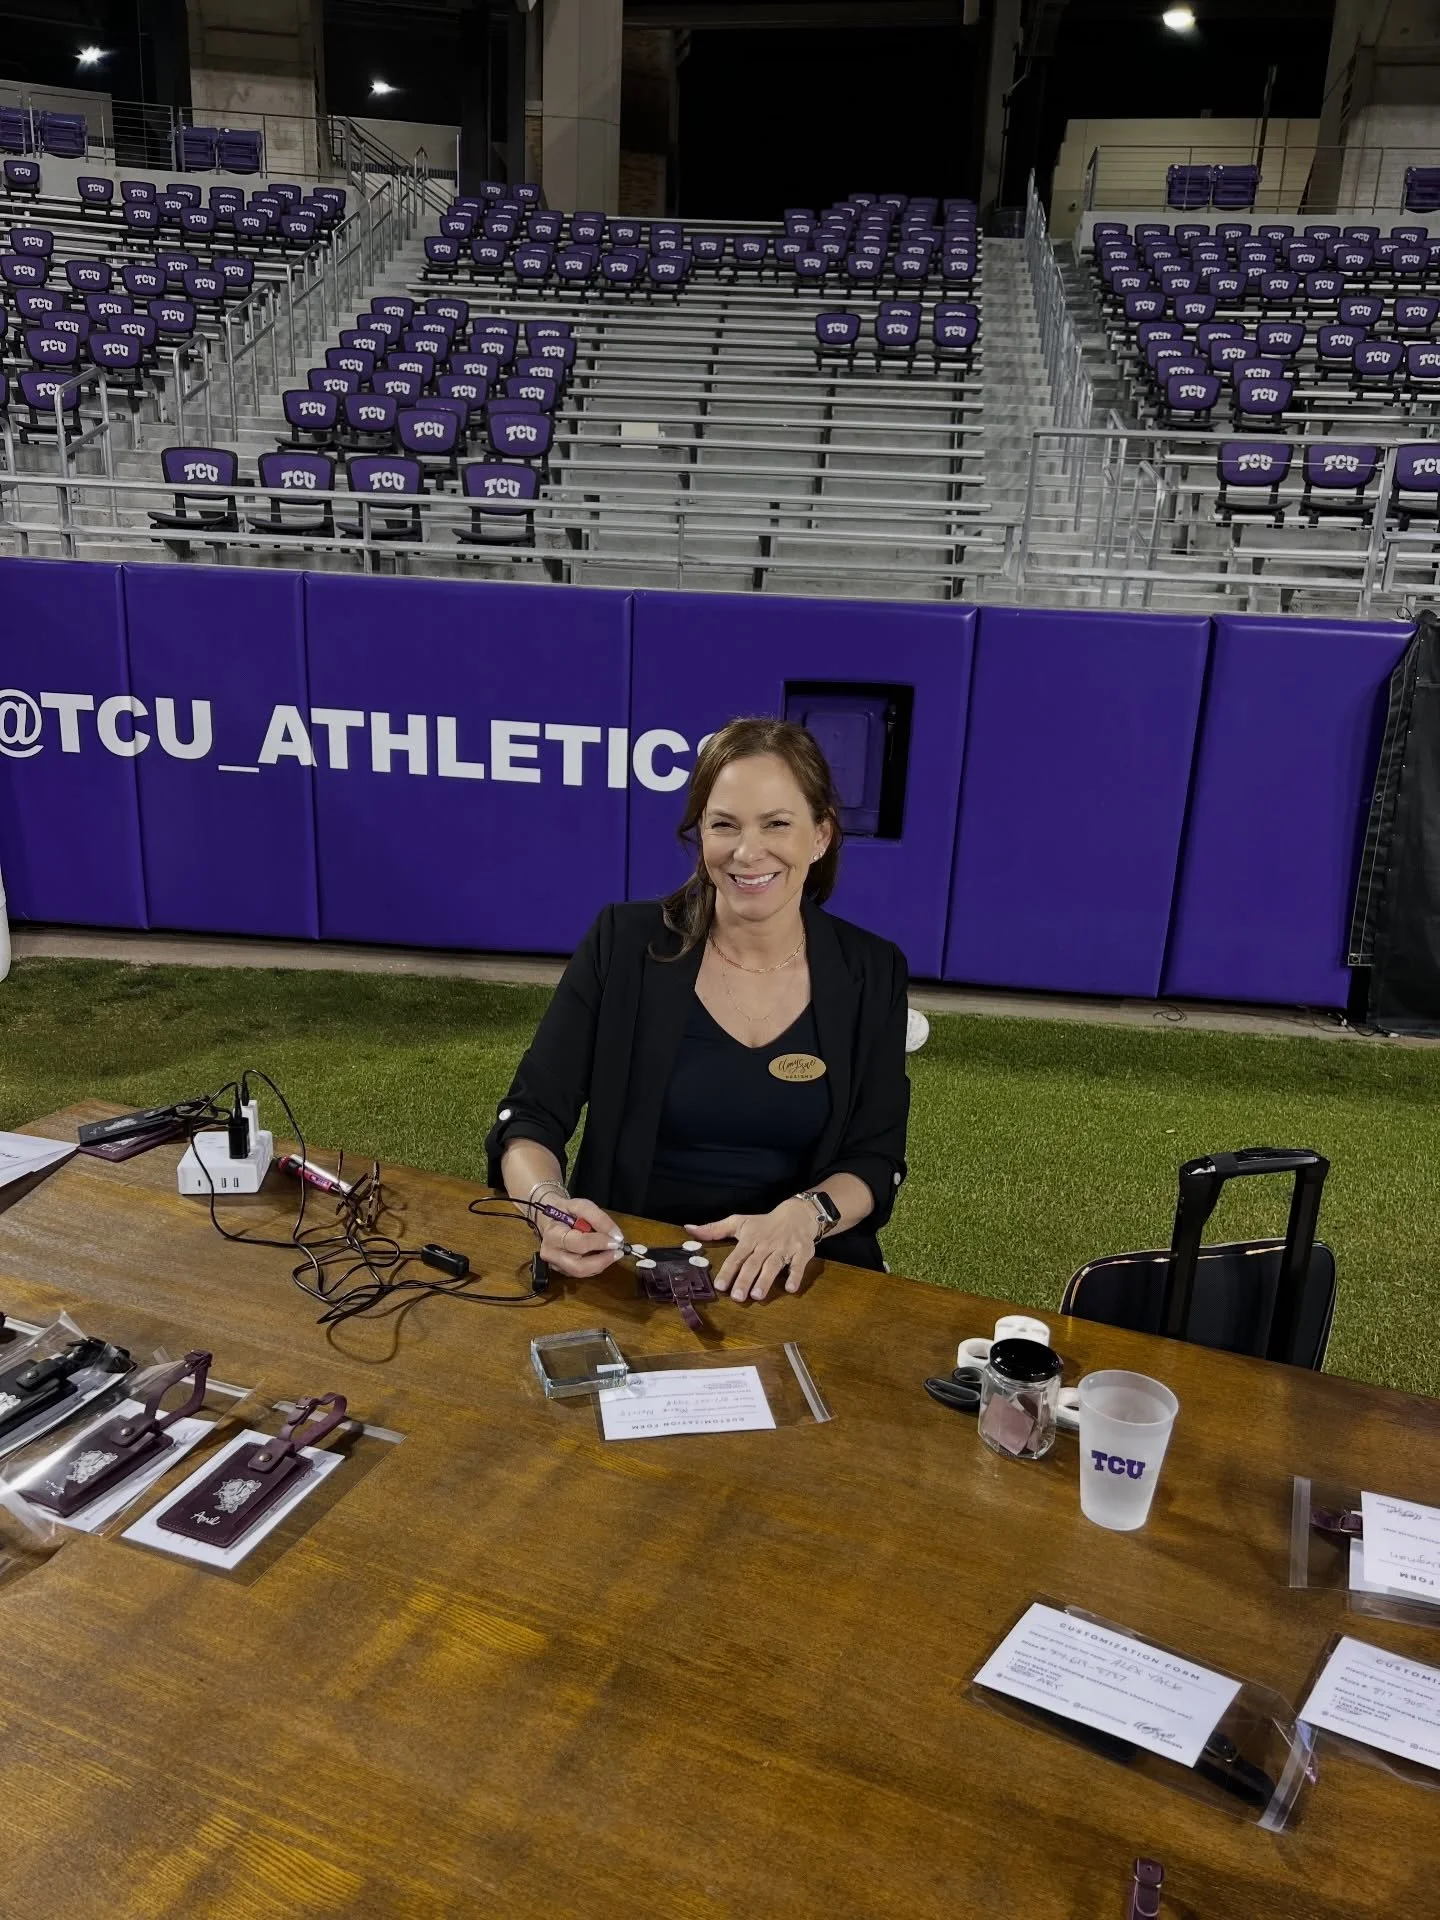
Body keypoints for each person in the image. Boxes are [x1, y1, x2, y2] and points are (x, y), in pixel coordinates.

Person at [485, 716, 910, 1303]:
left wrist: (805, 1215)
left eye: (776, 824)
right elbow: (531, 1118)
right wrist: (549, 1208)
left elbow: (876, 1156)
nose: (747, 851)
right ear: (701, 834)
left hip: (799, 1274)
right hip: (628, 1265)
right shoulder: (623, 944)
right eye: (724, 824)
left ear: (820, 835)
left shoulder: (873, 970)